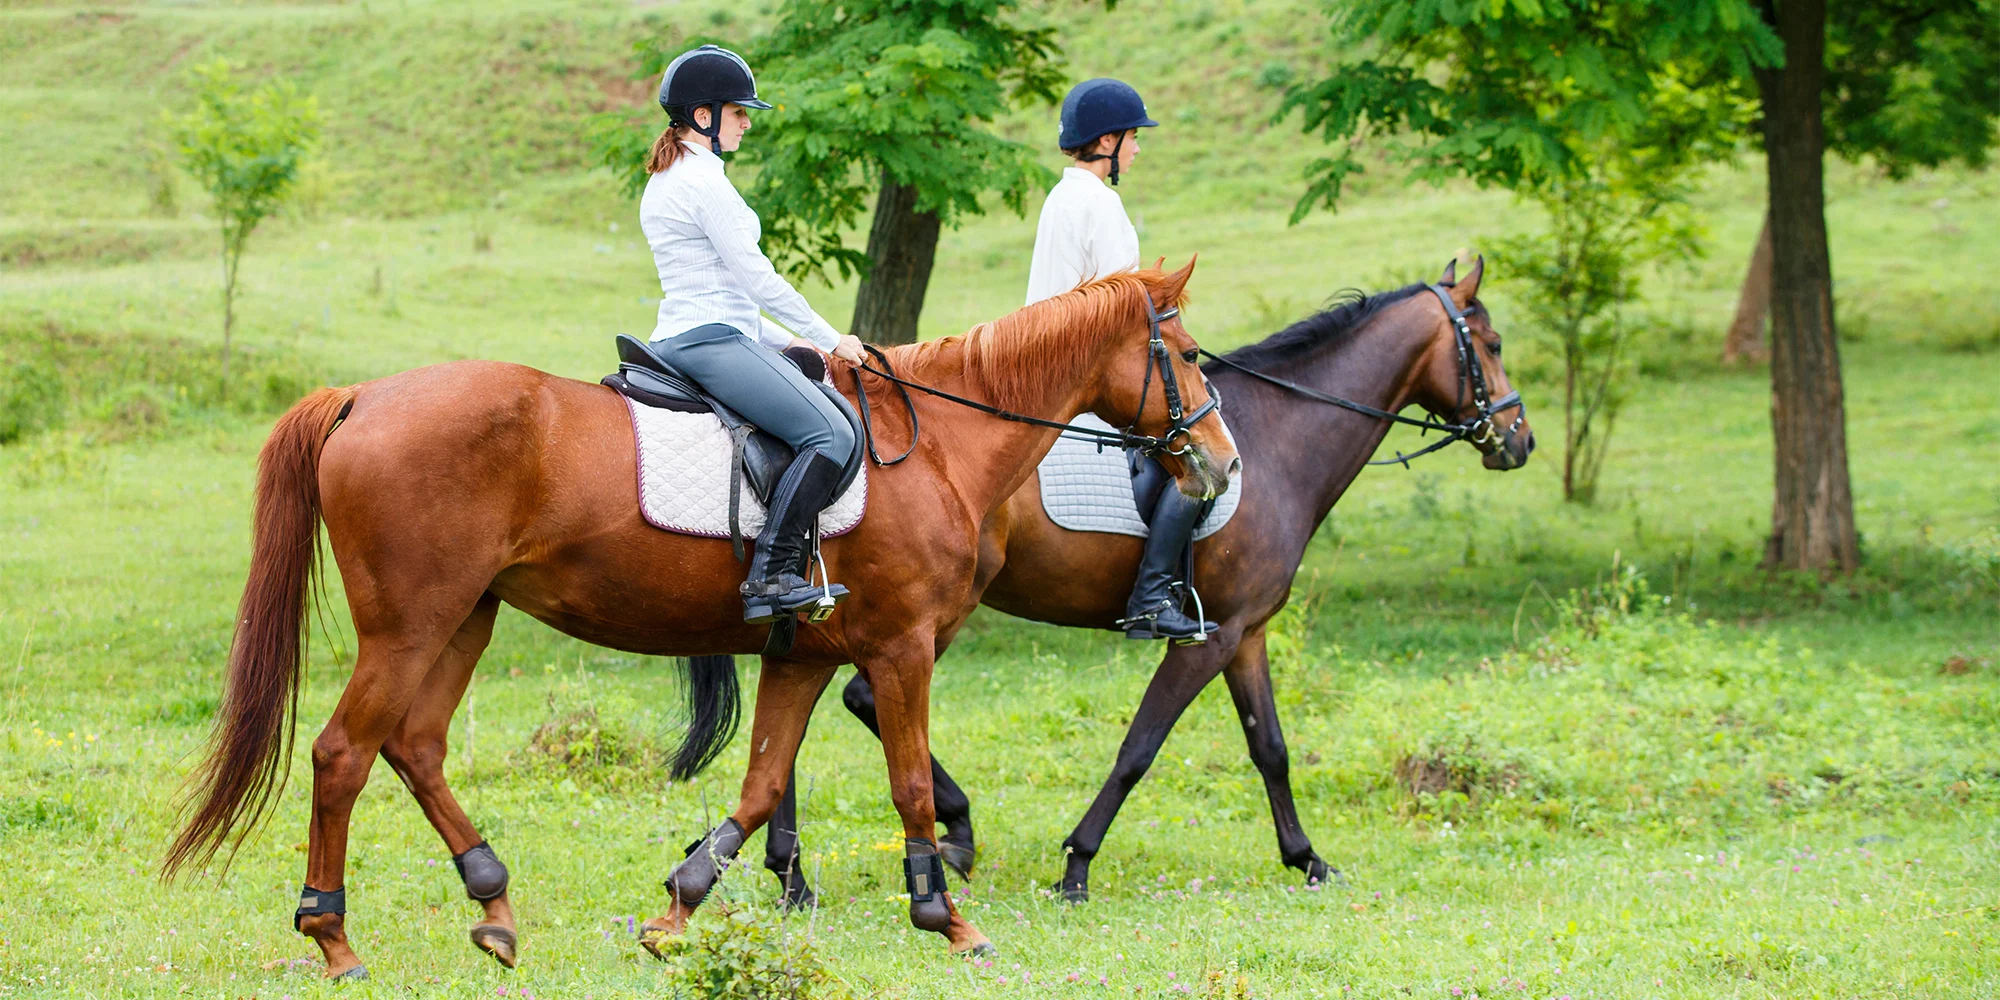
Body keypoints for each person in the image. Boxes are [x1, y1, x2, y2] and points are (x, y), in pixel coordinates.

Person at [639, 44, 869, 625]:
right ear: (703, 117)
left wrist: (790, 345)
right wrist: (831, 335)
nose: (747, 122)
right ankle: (772, 571)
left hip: (703, 331)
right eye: (739, 112)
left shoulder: (679, 177)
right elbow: (758, 281)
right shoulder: (704, 185)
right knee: (831, 435)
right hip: (707, 341)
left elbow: (727, 294)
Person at [1026, 78, 1216, 643]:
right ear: (1107, 141)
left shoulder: (1061, 198)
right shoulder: (1101, 204)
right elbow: (1124, 313)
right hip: (1089, 371)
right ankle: (1152, 598)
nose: (1137, 148)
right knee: (1196, 465)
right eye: (1134, 137)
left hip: (1046, 364)